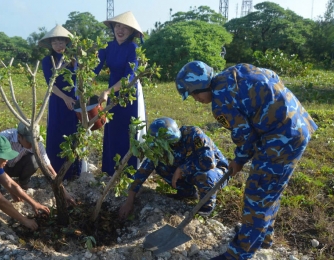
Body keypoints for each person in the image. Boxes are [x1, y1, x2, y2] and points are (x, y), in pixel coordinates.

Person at [175, 61, 318, 260]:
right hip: (298, 124)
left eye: (194, 93)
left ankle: (239, 253)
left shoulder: (220, 103)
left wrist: (239, 160)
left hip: (281, 138)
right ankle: (263, 238)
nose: (196, 99)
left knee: (257, 193)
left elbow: (245, 137)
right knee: (270, 190)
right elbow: (272, 77)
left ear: (202, 85)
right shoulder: (236, 71)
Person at [119, 117, 229, 219]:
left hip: (218, 171)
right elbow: (142, 172)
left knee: (204, 175)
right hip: (190, 172)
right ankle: (187, 193)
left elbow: (209, 162)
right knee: (160, 166)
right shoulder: (158, 148)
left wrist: (182, 169)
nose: (172, 146)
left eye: (173, 143)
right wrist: (129, 201)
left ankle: (205, 210)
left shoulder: (194, 134)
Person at [93, 11, 147, 176]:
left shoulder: (133, 48)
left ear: (131, 32)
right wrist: (83, 85)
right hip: (111, 92)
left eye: (125, 27)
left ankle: (129, 172)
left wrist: (107, 91)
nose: (120, 30)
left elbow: (129, 77)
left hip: (129, 94)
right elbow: (93, 69)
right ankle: (111, 170)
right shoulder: (107, 47)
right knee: (112, 129)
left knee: (129, 131)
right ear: (113, 28)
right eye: (117, 25)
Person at [38, 25, 81, 180]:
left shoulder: (74, 60)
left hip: (74, 100)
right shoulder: (47, 61)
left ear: (67, 43)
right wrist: (65, 98)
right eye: (55, 43)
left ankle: (73, 171)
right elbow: (51, 84)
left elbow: (82, 79)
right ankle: (55, 171)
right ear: (51, 45)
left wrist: (75, 98)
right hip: (57, 100)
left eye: (61, 42)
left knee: (74, 132)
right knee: (56, 133)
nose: (58, 46)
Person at [0, 122, 76, 205]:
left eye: (34, 141)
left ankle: (23, 182)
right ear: (19, 137)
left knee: (35, 160)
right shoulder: (4, 138)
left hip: (16, 166)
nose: (32, 145)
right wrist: (11, 190)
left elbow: (48, 167)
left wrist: (63, 192)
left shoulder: (36, 144)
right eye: (29, 141)